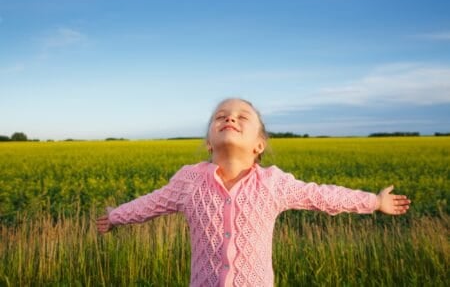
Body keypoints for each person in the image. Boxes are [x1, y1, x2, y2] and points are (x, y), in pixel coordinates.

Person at [96, 98, 411, 287]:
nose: (229, 117)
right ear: (208, 142)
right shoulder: (189, 180)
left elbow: (321, 196)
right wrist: (114, 217)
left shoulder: (272, 183)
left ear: (259, 145)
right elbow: (152, 203)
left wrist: (374, 202)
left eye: (241, 116)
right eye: (220, 116)